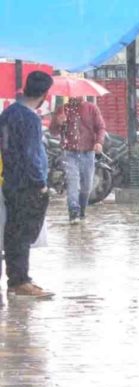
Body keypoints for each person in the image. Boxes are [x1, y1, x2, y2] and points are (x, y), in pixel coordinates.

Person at [0, 71, 55, 299]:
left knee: (13, 232)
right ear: (44, 94)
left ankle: (17, 279)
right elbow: (32, 155)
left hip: (9, 181)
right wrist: (41, 184)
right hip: (27, 185)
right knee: (23, 234)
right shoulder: (30, 118)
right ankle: (19, 281)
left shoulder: (8, 113)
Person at [50, 96, 106, 223]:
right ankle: (73, 211)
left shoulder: (91, 108)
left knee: (87, 186)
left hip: (88, 152)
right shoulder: (63, 110)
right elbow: (52, 131)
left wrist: (99, 142)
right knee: (73, 181)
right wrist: (58, 122)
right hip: (69, 153)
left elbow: (101, 127)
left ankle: (82, 211)